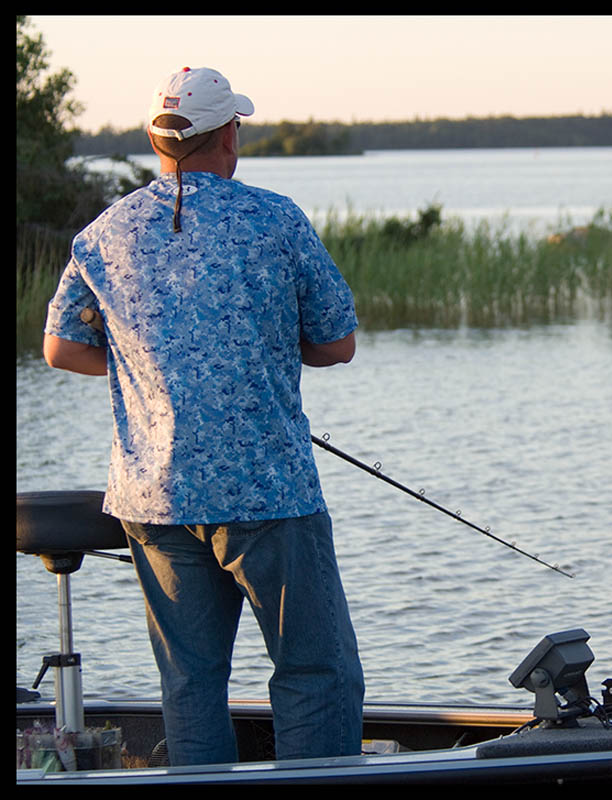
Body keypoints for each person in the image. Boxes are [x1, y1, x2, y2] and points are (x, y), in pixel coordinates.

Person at [42, 66, 365, 766]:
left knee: (190, 681)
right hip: (267, 491)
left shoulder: (103, 232)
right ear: (228, 135)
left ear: (157, 141)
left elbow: (60, 348)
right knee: (315, 672)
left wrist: (148, 370)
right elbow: (336, 343)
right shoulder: (275, 219)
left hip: (153, 498)